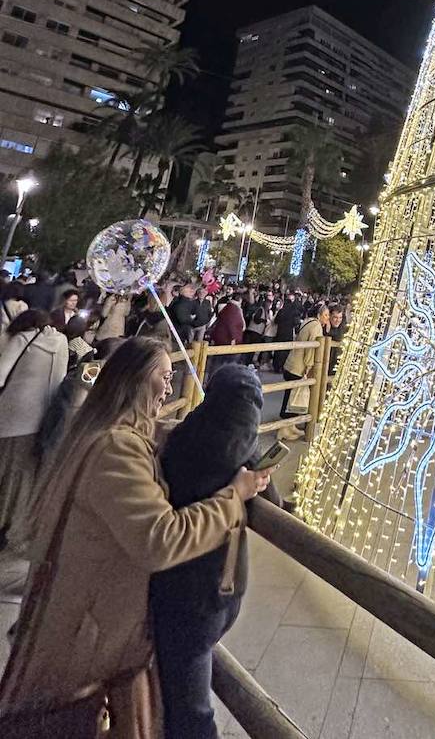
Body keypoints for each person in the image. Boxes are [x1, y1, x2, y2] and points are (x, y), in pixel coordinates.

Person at [0, 337, 269, 736]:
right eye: (163, 376)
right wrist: (235, 497)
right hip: (86, 643)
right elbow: (162, 540)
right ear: (135, 382)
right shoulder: (115, 450)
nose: (170, 386)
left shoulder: (106, 435)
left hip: (79, 623)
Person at [150, 365, 274, 737]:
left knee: (182, 684)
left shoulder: (186, 435)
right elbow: (277, 502)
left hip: (179, 584)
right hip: (212, 589)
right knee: (192, 706)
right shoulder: (243, 453)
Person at [0, 310, 68, 552]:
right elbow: (60, 378)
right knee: (25, 475)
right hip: (44, 418)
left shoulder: (22, 339)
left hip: (12, 416)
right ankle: (14, 527)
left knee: (5, 469)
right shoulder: (61, 341)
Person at [279, 303, 326, 437]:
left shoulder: (307, 321)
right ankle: (284, 430)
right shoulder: (316, 326)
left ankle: (291, 426)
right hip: (298, 367)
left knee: (290, 396)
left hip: (291, 363)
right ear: (319, 315)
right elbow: (311, 348)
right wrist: (309, 366)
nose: (327, 318)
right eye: (326, 315)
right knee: (292, 399)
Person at [272, 289, 301, 373]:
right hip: (288, 333)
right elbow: (296, 322)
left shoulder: (281, 311)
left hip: (280, 332)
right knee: (285, 351)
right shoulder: (294, 311)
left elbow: (276, 321)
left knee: (278, 350)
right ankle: (282, 366)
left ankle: (276, 366)